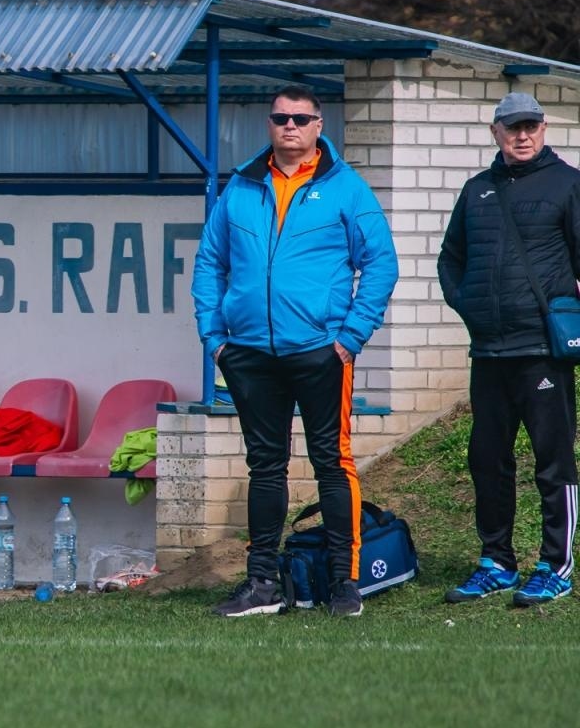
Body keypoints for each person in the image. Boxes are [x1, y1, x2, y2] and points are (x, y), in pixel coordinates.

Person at [193, 85, 399, 618]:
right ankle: (262, 584)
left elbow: (381, 264)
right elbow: (208, 264)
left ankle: (343, 584)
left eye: (300, 119)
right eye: (281, 117)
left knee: (331, 461)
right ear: (270, 123)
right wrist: (214, 338)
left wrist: (350, 337)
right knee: (265, 466)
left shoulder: (345, 188)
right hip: (248, 353)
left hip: (319, 351)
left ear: (318, 125)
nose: (289, 126)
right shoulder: (240, 187)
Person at [438, 92, 580, 607]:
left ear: (544, 129)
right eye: (511, 127)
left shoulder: (568, 185)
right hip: (490, 351)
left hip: (543, 351)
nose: (522, 136)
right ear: (495, 132)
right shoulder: (477, 190)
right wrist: (469, 307)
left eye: (531, 126)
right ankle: (496, 561)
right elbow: (450, 258)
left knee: (553, 462)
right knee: (487, 459)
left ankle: (555, 566)